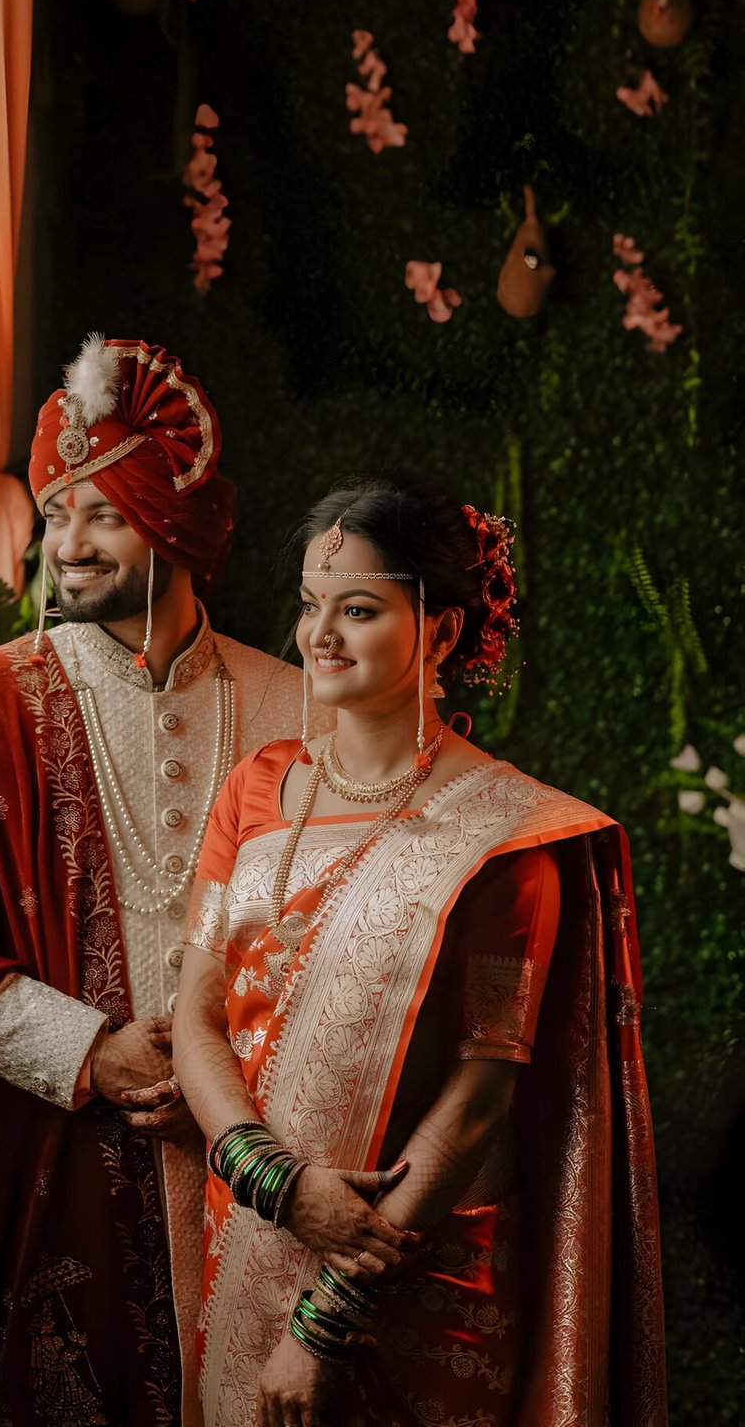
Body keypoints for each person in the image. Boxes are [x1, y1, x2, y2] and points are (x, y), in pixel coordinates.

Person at [0, 335, 303, 1426]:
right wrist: (92, 1053)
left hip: (265, 1164)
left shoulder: (296, 708)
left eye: (101, 513)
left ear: (173, 521)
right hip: (48, 1173)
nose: (66, 544)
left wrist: (228, 1072)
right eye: (56, 513)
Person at [154, 475, 666, 1427]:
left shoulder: (506, 837)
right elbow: (198, 1012)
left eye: (357, 609)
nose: (320, 634)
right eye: (310, 604)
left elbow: (481, 1094)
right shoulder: (254, 788)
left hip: (414, 1273)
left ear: (440, 631)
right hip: (255, 1235)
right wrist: (277, 1183)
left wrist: (327, 1316)